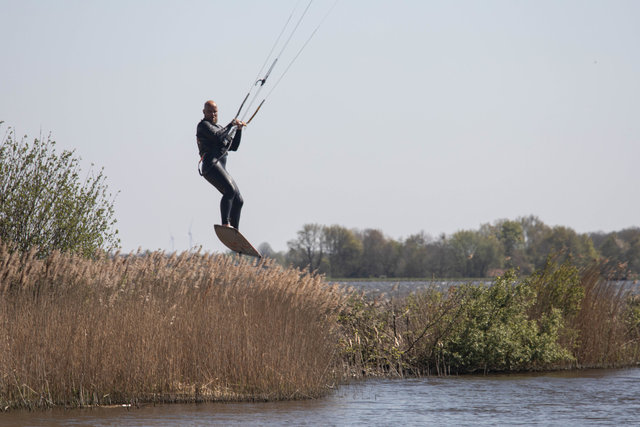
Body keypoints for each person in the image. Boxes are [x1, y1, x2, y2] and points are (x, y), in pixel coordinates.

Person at [196, 100, 246, 230]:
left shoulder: (220, 128)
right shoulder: (203, 126)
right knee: (229, 190)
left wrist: (239, 130)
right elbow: (218, 137)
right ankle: (225, 223)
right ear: (204, 112)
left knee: (238, 200)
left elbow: (233, 146)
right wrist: (231, 125)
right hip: (210, 166)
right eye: (209, 111)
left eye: (215, 111)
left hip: (220, 166)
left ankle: (235, 232)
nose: (212, 114)